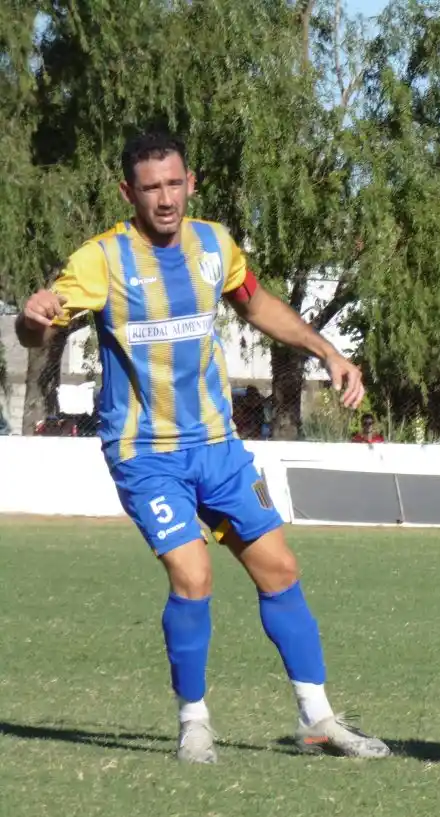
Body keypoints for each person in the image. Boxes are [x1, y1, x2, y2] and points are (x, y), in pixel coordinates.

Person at [15, 132, 389, 764]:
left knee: (281, 570)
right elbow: (38, 330)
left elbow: (257, 302)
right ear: (127, 192)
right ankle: (194, 722)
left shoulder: (215, 245)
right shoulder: (101, 260)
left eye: (174, 183)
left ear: (192, 182)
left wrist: (328, 351)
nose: (165, 198)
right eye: (150, 187)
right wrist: (34, 314)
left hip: (217, 446)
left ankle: (319, 718)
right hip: (144, 452)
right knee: (193, 575)